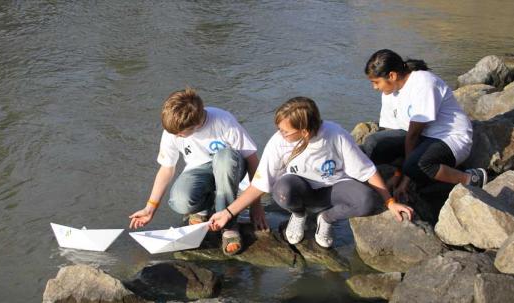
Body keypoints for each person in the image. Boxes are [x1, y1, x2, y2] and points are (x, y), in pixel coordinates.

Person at [209, 97, 413, 248]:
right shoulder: (278, 143)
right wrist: (227, 213)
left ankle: (326, 219)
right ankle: (298, 215)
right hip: (301, 190)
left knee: (367, 201)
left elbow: (367, 171)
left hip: (334, 189)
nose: (281, 134)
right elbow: (259, 185)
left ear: (305, 131)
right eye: (279, 129)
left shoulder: (335, 135)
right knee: (282, 189)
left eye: (286, 131)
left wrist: (390, 202)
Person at [129, 88, 267, 255]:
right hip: (200, 171)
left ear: (197, 124)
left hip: (231, 167)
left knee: (224, 159)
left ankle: (229, 226)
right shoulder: (173, 130)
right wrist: (150, 207)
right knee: (180, 201)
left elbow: (253, 161)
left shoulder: (223, 121)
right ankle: (204, 209)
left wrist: (256, 206)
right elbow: (166, 169)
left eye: (180, 134)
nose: (176, 136)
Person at [362, 49, 487, 202]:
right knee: (373, 145)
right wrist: (397, 174)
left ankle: (471, 178)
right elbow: (397, 133)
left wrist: (404, 179)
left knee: (417, 165)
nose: (375, 87)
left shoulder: (424, 83)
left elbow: (412, 135)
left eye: (376, 82)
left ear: (392, 76)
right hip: (421, 139)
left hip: (448, 137)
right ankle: (415, 172)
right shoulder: (389, 92)